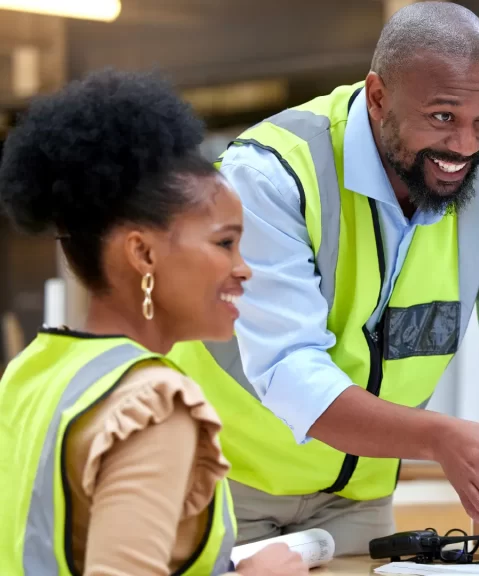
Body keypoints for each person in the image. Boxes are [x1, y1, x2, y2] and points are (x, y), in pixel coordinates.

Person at [166, 2, 479, 573]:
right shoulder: (273, 172)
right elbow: (289, 371)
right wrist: (437, 437)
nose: (466, 145)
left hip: (356, 505)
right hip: (224, 487)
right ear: (379, 95)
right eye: (442, 117)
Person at [0, 69, 307, 576]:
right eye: (224, 242)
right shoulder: (153, 406)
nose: (243, 267)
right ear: (142, 252)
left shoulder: (31, 372)